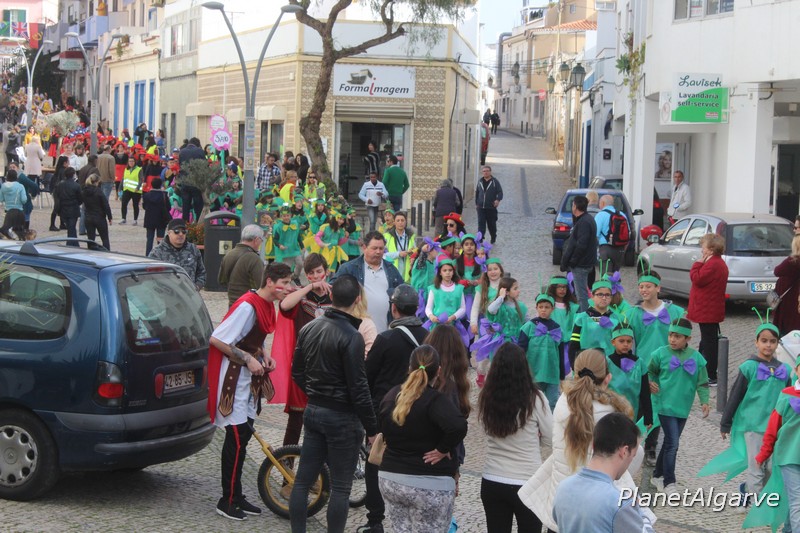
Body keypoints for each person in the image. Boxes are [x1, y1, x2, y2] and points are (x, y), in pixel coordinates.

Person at [289, 275, 379, 533]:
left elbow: (297, 372)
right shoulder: (352, 336)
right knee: (341, 487)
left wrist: (315, 393)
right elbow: (359, 388)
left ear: (331, 296)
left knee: (302, 482)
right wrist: (372, 428)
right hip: (342, 417)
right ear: (358, 300)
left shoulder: (309, 328)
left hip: (315, 410)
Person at [517, 349, 642, 532]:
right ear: (608, 378)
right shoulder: (612, 416)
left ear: (575, 375)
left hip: (561, 506)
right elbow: (632, 456)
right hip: (597, 509)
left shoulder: (562, 402)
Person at [207, 262, 292, 520]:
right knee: (235, 438)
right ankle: (227, 500)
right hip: (234, 379)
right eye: (285, 283)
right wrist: (247, 358)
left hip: (248, 381)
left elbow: (252, 337)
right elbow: (217, 339)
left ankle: (237, 495)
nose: (288, 288)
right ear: (270, 282)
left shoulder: (266, 304)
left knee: (243, 437)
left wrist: (264, 354)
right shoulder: (247, 306)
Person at [377, 345, 468, 533]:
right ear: (439, 371)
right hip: (429, 483)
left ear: (409, 368)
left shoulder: (392, 395)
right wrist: (442, 449)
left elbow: (382, 425)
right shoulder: (435, 400)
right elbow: (458, 426)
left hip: (391, 480)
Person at [700, 320, 791, 506]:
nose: (768, 345)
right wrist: (725, 423)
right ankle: (758, 510)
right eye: (764, 341)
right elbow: (735, 396)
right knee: (756, 467)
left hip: (776, 427)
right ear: (756, 342)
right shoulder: (748, 367)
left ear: (777, 344)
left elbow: (790, 399)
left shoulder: (785, 370)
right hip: (753, 425)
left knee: (772, 468)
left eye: (772, 341)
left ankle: (747, 490)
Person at [479, 342, 551, 533]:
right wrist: (533, 437)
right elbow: (550, 438)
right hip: (527, 481)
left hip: (492, 478)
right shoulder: (536, 399)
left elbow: (487, 430)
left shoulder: (487, 397)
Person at [271, 254, 333, 453]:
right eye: (311, 273)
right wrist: (308, 287)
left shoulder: (335, 296)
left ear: (326, 272)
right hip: (303, 366)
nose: (316, 276)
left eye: (319, 271)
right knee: (296, 419)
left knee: (325, 420)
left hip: (328, 367)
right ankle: (286, 465)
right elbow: (284, 306)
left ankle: (320, 468)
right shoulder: (301, 296)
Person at [552, 413, 652, 532]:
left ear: (593, 445)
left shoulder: (563, 487)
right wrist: (640, 509)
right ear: (624, 451)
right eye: (633, 456)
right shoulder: (620, 503)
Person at [628, 269, 684, 465]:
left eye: (648, 286)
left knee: (658, 407)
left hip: (666, 367)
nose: (644, 290)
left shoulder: (675, 312)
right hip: (643, 365)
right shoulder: (633, 314)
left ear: (658, 288)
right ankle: (634, 443)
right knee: (641, 406)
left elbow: (682, 339)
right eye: (641, 286)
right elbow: (630, 342)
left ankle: (651, 446)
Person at [648, 318, 710, 494]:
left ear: (688, 338)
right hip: (664, 405)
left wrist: (705, 401)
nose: (672, 339)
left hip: (683, 407)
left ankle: (657, 475)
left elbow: (702, 383)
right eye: (670, 335)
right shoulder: (659, 354)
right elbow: (650, 372)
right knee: (673, 444)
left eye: (677, 336)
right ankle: (669, 482)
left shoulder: (697, 358)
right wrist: (650, 383)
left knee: (669, 442)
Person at [755, 354, 800, 533]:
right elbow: (773, 427)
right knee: (797, 501)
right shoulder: (786, 395)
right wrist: (764, 453)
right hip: (789, 456)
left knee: (795, 499)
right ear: (796, 370)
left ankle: (788, 530)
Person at [333, 231, 404, 334]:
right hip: (356, 331)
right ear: (364, 247)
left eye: (381, 248)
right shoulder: (349, 269)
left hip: (385, 332)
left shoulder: (391, 269)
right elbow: (333, 288)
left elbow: (402, 293)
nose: (378, 252)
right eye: (374, 248)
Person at [687, 233, 728, 386]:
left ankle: (710, 374)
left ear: (711, 249)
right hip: (709, 308)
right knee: (707, 341)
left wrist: (697, 264)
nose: (701, 250)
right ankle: (702, 369)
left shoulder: (713, 264)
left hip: (708, 310)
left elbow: (697, 278)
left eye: (703, 247)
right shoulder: (716, 262)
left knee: (709, 343)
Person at [518, 293, 562, 411]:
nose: (543, 310)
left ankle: (551, 421)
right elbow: (520, 348)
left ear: (552, 309)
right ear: (536, 308)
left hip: (552, 372)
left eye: (547, 307)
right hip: (534, 371)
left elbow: (560, 351)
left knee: (553, 402)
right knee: (533, 402)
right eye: (541, 307)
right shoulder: (529, 326)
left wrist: (562, 373)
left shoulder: (557, 328)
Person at [568, 278, 621, 368]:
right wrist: (575, 367)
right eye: (600, 294)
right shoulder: (582, 319)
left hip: (610, 366)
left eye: (607, 295)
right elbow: (574, 344)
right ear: (592, 296)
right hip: (587, 365)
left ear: (611, 297)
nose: (604, 298)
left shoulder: (616, 319)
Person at [560, 195, 598, 312]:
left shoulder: (584, 222)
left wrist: (573, 261)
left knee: (581, 295)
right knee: (583, 292)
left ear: (575, 206)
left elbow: (581, 245)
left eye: (572, 205)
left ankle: (584, 317)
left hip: (581, 265)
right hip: (585, 262)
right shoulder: (587, 219)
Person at [149, 218, 206, 290]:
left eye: (184, 231)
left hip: (189, 294)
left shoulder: (193, 250)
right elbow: (150, 277)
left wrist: (197, 286)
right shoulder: (157, 253)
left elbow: (201, 272)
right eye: (177, 231)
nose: (181, 234)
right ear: (169, 233)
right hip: (166, 295)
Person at [218, 224, 266, 307]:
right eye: (261, 240)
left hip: (233, 305)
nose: (260, 243)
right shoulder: (254, 259)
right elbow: (261, 286)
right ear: (256, 240)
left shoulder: (229, 255)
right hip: (249, 305)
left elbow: (221, 281)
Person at [772, 233, 800, 336]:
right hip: (795, 297)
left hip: (789, 298)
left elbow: (777, 271)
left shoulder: (793, 261)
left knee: (787, 326)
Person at [594, 194, 629, 274]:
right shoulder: (622, 215)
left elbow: (595, 235)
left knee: (605, 276)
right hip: (620, 250)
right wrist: (623, 250)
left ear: (603, 203)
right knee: (615, 276)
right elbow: (628, 235)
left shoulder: (600, 215)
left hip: (605, 249)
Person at [383, 210, 417, 282]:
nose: (400, 222)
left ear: (405, 222)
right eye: (398, 220)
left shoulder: (411, 236)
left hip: (407, 275)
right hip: (392, 273)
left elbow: (415, 251)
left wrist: (412, 252)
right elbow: (383, 255)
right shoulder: (387, 236)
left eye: (402, 220)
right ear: (394, 222)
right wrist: (398, 254)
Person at [178, 137, 206, 222]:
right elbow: (204, 166)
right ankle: (198, 224)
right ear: (197, 144)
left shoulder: (182, 151)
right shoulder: (200, 151)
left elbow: (180, 166)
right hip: (196, 183)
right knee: (198, 206)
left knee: (185, 206)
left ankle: (185, 224)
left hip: (185, 182)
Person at [82, 174, 113, 250]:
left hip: (88, 217)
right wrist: (109, 217)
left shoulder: (84, 191)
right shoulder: (98, 192)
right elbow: (105, 205)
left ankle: (91, 252)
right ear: (96, 182)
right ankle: (106, 252)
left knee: (90, 239)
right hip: (99, 217)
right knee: (104, 238)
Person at [141, 177, 170, 256]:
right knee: (160, 239)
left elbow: (144, 206)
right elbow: (168, 207)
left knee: (149, 239)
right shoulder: (164, 195)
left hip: (149, 219)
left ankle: (148, 255)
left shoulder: (146, 195)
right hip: (161, 219)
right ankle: (159, 255)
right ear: (160, 185)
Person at [475, 166, 503, 244]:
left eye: (487, 171)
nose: (486, 172)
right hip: (481, 207)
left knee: (491, 224)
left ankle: (493, 236)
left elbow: (500, 192)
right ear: (482, 172)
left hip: (491, 207)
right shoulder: (480, 181)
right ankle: (480, 238)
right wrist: (477, 203)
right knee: (481, 223)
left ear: (490, 172)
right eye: (484, 171)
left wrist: (497, 200)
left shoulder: (494, 182)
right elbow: (477, 193)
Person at [55, 167, 82, 246]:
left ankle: (74, 243)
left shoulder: (60, 185)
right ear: (73, 174)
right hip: (73, 209)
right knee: (71, 227)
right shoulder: (76, 185)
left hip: (63, 209)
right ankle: (71, 244)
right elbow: (80, 199)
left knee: (70, 227)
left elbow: (57, 196)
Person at [0, 169, 27, 240]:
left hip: (8, 211)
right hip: (19, 211)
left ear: (7, 176)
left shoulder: (3, 186)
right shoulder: (20, 186)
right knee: (19, 230)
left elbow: (1, 199)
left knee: (6, 229)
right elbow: (24, 200)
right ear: (16, 177)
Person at [120, 156, 143, 225]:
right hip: (127, 189)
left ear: (135, 162)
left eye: (132, 161)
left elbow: (141, 179)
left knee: (135, 205)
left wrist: (138, 187)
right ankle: (123, 218)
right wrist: (120, 188)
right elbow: (123, 179)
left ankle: (135, 220)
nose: (131, 163)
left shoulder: (139, 169)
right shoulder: (126, 169)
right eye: (130, 161)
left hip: (136, 191)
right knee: (124, 204)